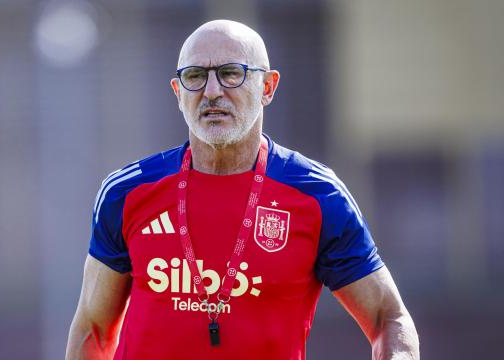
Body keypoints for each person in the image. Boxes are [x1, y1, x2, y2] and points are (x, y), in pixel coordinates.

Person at [65, 19, 419, 360]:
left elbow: (388, 318)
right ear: (178, 92)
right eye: (195, 76)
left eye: (231, 73)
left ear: (267, 87)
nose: (212, 92)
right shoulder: (126, 192)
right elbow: (92, 330)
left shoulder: (318, 196)